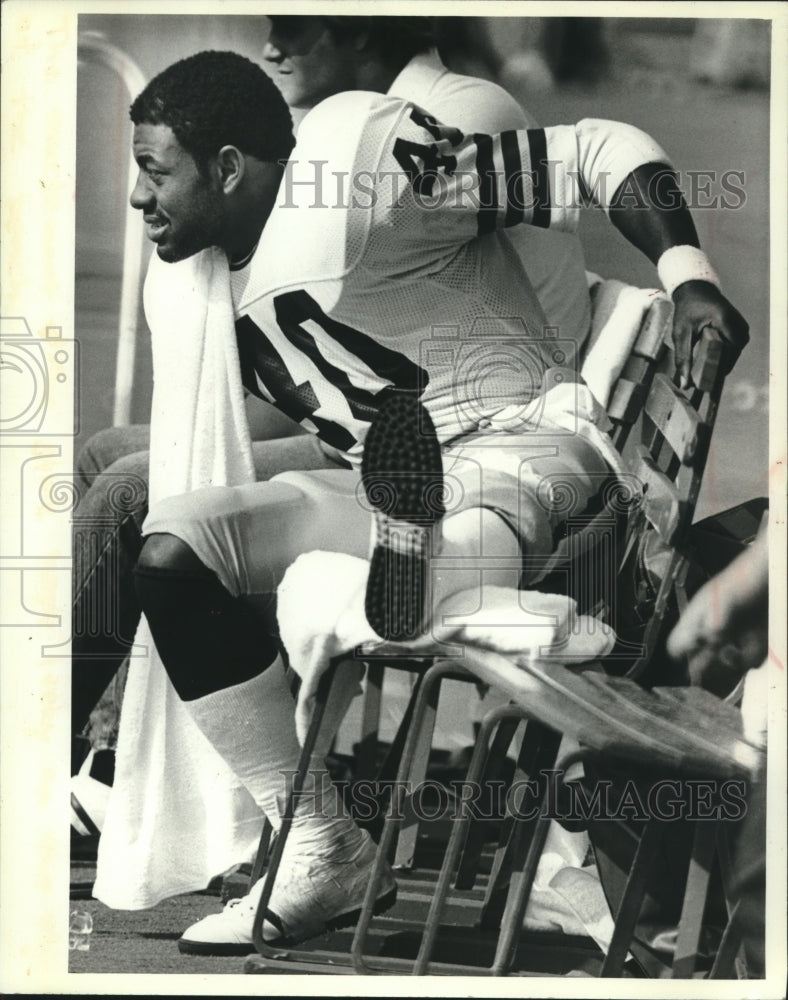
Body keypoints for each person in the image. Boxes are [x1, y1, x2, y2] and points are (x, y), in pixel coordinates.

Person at [114, 49, 749, 954]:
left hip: (532, 442)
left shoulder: (365, 180)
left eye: (153, 171)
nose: (139, 198)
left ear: (227, 167)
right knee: (178, 549)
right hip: (389, 486)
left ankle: (446, 579)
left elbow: (596, 148)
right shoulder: (201, 275)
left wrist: (689, 272)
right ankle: (323, 844)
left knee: (479, 511)